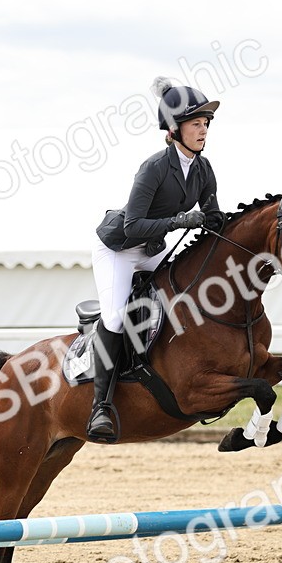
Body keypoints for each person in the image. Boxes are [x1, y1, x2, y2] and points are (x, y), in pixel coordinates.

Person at [87, 77, 225, 443]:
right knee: (115, 317)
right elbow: (133, 225)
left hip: (151, 246)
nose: (204, 129)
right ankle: (100, 406)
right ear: (174, 129)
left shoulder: (203, 169)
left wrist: (224, 226)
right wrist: (180, 221)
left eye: (206, 123)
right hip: (120, 247)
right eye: (196, 123)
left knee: (185, 288)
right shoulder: (153, 168)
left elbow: (211, 217)